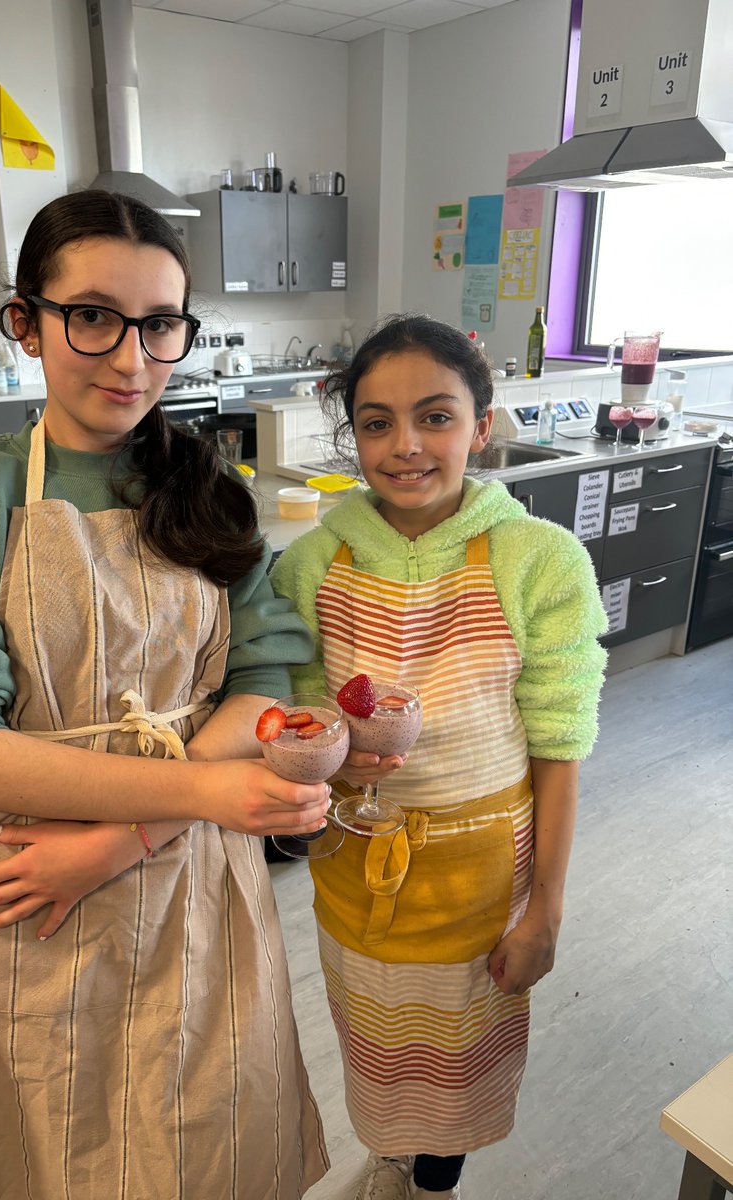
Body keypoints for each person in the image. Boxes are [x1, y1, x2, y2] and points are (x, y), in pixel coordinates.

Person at [0, 190, 331, 1200]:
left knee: (196, 1123)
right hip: (27, 882)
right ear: (26, 322)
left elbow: (261, 685)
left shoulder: (207, 488)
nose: (131, 359)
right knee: (45, 1130)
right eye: (93, 317)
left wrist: (127, 838)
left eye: (160, 324)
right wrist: (206, 797)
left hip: (187, 880)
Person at [269, 315, 607, 1200]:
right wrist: (330, 756)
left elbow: (561, 746)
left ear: (482, 425)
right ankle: (388, 1149)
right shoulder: (311, 564)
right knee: (380, 1040)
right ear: (353, 435)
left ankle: (434, 1182)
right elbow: (296, 715)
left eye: (436, 417)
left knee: (458, 1055)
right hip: (359, 869)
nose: (405, 446)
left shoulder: (539, 561)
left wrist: (548, 912)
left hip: (485, 877)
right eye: (376, 422)